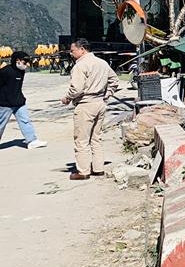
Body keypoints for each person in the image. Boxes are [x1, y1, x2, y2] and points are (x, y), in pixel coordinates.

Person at [61, 38, 119, 180]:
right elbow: (114, 80)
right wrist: (107, 94)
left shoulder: (80, 66)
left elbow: (77, 88)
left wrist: (67, 98)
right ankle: (98, 168)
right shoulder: (102, 63)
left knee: (81, 139)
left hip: (85, 104)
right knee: (96, 138)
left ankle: (83, 171)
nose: (71, 54)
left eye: (73, 51)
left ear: (82, 49)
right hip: (100, 103)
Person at [0, 51, 47, 149]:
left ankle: (32, 140)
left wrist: (20, 98)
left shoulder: (21, 71)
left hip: (19, 102)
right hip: (5, 104)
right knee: (1, 124)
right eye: (24, 62)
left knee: (25, 121)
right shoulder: (5, 71)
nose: (26, 65)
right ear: (17, 61)